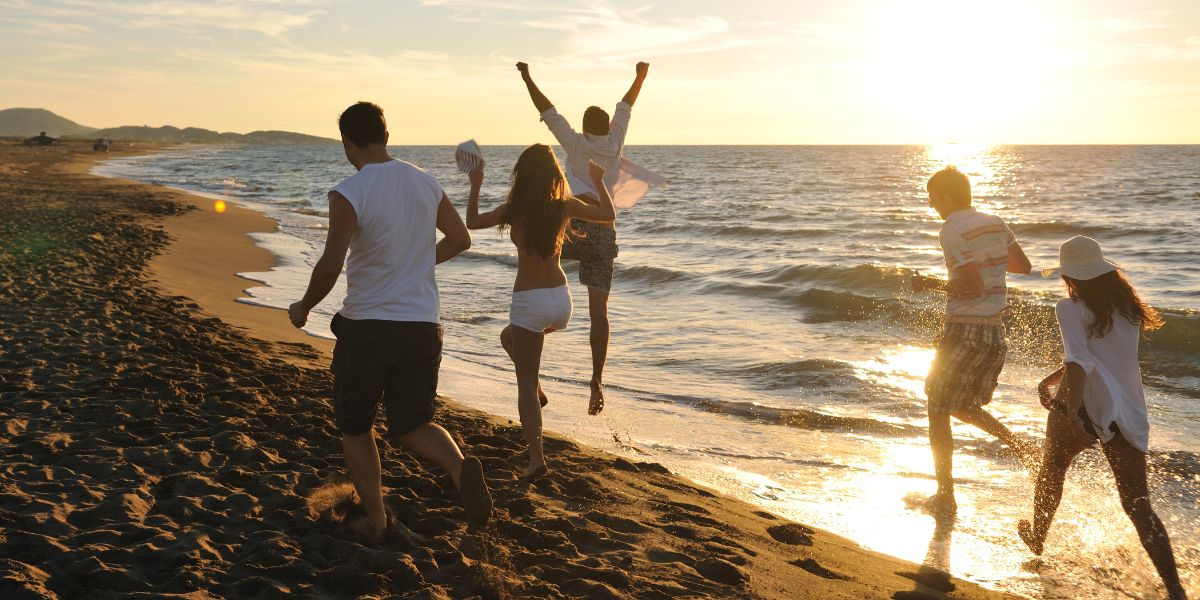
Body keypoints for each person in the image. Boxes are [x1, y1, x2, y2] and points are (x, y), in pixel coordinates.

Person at [287, 101, 492, 540]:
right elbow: (461, 238)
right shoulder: (425, 181)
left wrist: (304, 306)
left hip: (368, 327)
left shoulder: (349, 191)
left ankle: (377, 520)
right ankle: (460, 469)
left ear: (347, 142)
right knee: (413, 423)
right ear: (386, 135)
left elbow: (331, 264)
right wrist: (414, 265)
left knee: (356, 426)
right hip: (423, 326)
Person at [1018, 236, 1186, 599]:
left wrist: (1070, 414)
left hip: (1083, 404)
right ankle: (1175, 588)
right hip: (1125, 410)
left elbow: (1079, 361)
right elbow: (1097, 358)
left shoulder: (1069, 307)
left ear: (1070, 275)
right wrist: (1052, 378)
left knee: (1053, 469)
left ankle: (1037, 538)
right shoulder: (1127, 309)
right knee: (1138, 504)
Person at [463, 144, 615, 483]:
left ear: (521, 176)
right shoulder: (563, 206)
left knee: (524, 387)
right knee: (508, 338)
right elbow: (608, 214)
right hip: (561, 302)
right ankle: (540, 392)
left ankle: (536, 459)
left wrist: (476, 183)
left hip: (531, 301)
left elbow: (472, 221)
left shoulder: (514, 210)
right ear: (552, 176)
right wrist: (597, 180)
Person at [516, 60, 649, 415]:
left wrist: (528, 77)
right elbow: (627, 105)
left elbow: (547, 110)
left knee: (541, 282)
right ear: (607, 128)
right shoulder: (616, 141)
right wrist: (640, 76)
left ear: (585, 129)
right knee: (598, 313)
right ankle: (597, 379)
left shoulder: (575, 144)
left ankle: (532, 371)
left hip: (572, 224)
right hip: (603, 228)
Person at [912, 166, 1037, 517]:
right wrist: (987, 261)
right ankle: (1021, 447)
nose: (931, 204)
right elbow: (1022, 266)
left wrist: (929, 284)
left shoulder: (951, 229)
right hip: (994, 331)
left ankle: (945, 497)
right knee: (960, 405)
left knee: (937, 408)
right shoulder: (995, 222)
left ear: (946, 197)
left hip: (964, 329)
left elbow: (971, 286)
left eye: (933, 197)